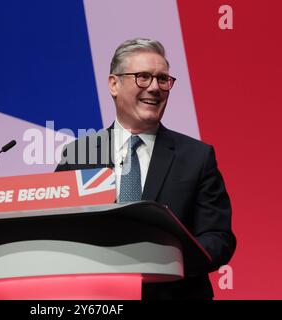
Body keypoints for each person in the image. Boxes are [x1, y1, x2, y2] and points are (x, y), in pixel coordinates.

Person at [55, 38, 236, 299]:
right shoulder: (79, 155)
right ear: (113, 84)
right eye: (143, 77)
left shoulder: (197, 157)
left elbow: (218, 238)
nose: (154, 88)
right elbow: (53, 229)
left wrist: (166, 261)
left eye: (163, 79)